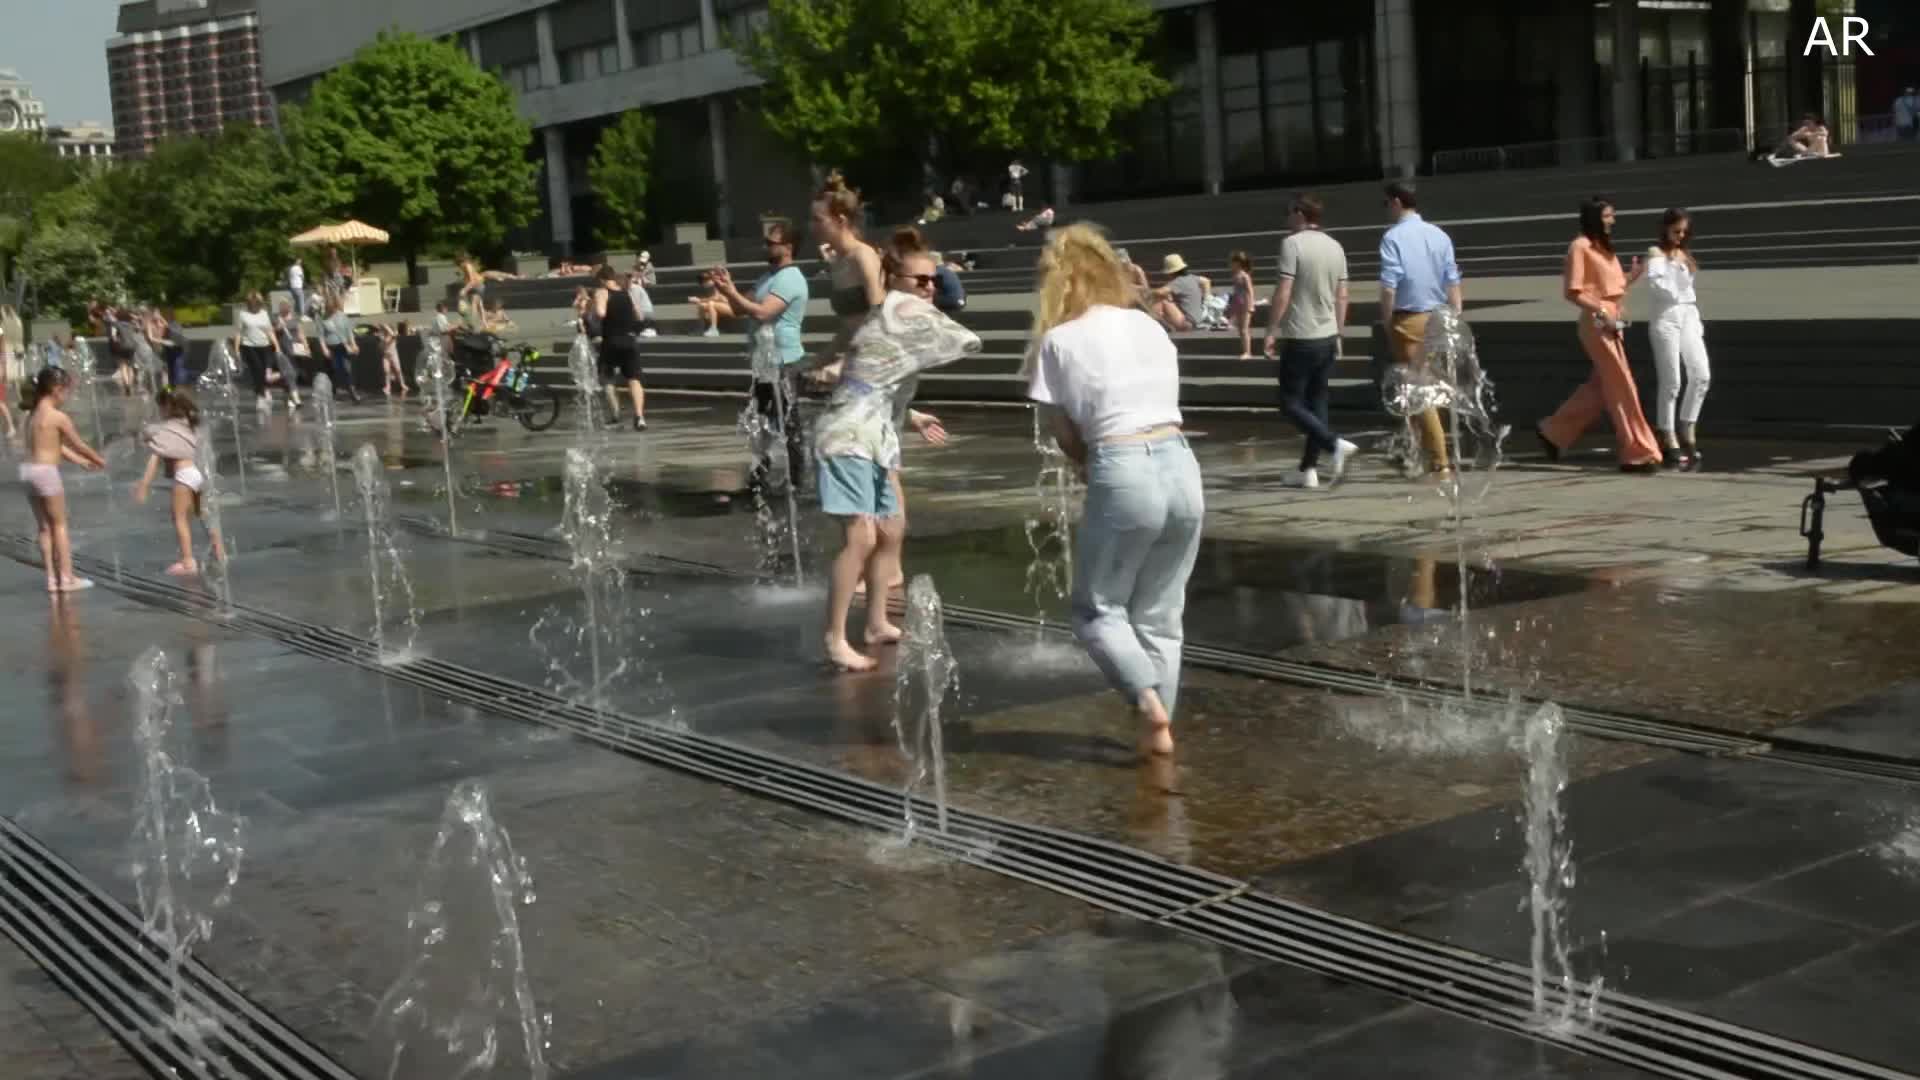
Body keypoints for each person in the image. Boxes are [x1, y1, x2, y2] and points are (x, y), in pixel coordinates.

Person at [1025, 225, 1201, 758]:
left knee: (1097, 610)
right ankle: (1159, 727)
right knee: (1161, 614)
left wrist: (1087, 466)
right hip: (1182, 464)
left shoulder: (1059, 340)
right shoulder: (1148, 325)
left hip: (1121, 464)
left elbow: (1062, 433)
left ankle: (1146, 702)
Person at [811, 229, 980, 671]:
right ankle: (834, 637)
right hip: (847, 438)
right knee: (861, 537)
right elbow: (966, 338)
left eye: (934, 280)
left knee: (890, 531)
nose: (930, 288)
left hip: (875, 437)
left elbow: (871, 384)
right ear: (893, 279)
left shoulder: (887, 315)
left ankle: (875, 623)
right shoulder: (901, 310)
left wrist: (913, 415)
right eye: (921, 280)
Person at [1536, 196, 1662, 473]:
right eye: (1607, 216)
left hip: (1612, 321)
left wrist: (1630, 278)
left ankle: (1554, 432)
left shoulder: (1603, 248)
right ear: (1594, 218)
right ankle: (1637, 452)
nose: (1612, 220)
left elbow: (1609, 286)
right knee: (1622, 386)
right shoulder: (1579, 247)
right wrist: (1602, 310)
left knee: (1602, 388)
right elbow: (1573, 291)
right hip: (1598, 323)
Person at [1263, 193, 1359, 489]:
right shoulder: (1336, 246)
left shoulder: (1292, 244)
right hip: (1327, 335)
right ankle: (1308, 469)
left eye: (1288, 212)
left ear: (1300, 213)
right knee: (1317, 402)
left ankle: (1333, 444)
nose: (1286, 217)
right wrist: (1339, 332)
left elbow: (1284, 291)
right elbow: (1343, 295)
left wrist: (1271, 330)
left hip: (1301, 335)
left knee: (1289, 402)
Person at [711, 222, 810, 487]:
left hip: (785, 361)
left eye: (771, 242)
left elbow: (764, 313)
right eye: (765, 242)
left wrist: (732, 293)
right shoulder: (767, 277)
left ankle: (797, 483)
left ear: (788, 247)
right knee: (762, 423)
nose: (765, 246)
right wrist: (727, 289)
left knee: (789, 425)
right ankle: (759, 477)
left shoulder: (790, 278)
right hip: (765, 363)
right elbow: (739, 309)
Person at [1378, 180, 1462, 477]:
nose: (1386, 209)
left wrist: (1387, 320)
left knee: (1420, 388)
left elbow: (1389, 286)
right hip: (1438, 317)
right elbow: (1452, 280)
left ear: (1396, 202)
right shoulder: (1439, 235)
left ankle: (1440, 461)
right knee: (1421, 385)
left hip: (1409, 320)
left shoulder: (1393, 237)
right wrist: (1455, 315)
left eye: (1386, 203)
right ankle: (1412, 449)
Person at [21, 367, 107, 594]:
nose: (67, 397)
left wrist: (81, 461)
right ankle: (67, 578)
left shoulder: (31, 416)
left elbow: (54, 446)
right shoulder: (58, 417)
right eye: (67, 392)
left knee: (44, 528)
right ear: (57, 389)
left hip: (28, 471)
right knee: (59, 525)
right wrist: (98, 459)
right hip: (46, 473)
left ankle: (52, 579)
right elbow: (78, 444)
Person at [1640, 208, 1710, 471]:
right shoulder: (1656, 254)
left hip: (1688, 313)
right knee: (1672, 382)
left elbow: (1685, 289)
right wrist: (1669, 266)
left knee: (1701, 375)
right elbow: (1658, 286)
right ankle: (1667, 433)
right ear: (1665, 229)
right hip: (1666, 316)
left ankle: (1687, 427)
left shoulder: (1684, 254)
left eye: (1684, 232)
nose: (1680, 236)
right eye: (1676, 231)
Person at [134, 389, 224, 576]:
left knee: (180, 519)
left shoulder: (165, 431)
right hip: (196, 474)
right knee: (202, 514)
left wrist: (144, 485)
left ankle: (188, 561)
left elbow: (154, 459)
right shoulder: (187, 426)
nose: (159, 412)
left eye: (160, 408)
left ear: (167, 407)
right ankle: (219, 550)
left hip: (183, 476)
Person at [593, 264, 648, 431]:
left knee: (608, 377)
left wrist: (594, 307)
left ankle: (616, 416)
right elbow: (639, 315)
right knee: (634, 379)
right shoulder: (626, 293)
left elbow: (601, 313)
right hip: (630, 340)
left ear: (601, 279)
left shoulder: (602, 292)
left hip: (611, 341)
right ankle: (639, 417)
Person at [232, 291, 277, 411]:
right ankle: (260, 396)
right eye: (252, 303)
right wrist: (236, 349)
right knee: (257, 369)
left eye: (257, 303)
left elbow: (269, 331)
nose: (255, 305)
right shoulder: (243, 314)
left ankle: (263, 390)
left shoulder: (264, 313)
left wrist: (277, 345)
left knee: (264, 372)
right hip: (249, 346)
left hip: (265, 345)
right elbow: (238, 332)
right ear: (248, 303)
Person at [1149, 254, 1209, 332]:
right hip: (1196, 320)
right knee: (1167, 297)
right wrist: (1206, 298)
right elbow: (1206, 281)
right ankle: (1162, 325)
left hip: (1187, 323)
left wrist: (1147, 292)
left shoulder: (1178, 282)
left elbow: (1160, 292)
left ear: (1171, 272)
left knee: (1162, 301)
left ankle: (1148, 324)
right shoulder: (1192, 278)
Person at [319, 295, 362, 404]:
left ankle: (352, 391)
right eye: (329, 308)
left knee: (347, 369)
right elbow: (321, 336)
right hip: (331, 346)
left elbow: (349, 332)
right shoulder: (322, 318)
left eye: (332, 307)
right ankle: (333, 391)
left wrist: (354, 344)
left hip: (343, 346)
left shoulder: (342, 316)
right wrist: (324, 349)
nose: (331, 310)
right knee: (334, 369)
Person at [270, 302, 307, 407]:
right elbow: (271, 332)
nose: (285, 309)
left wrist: (306, 346)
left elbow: (300, 333)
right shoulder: (276, 319)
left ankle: (286, 395)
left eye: (287, 307)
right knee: (290, 374)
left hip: (294, 350)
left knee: (294, 373)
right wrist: (278, 327)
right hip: (281, 351)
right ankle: (297, 399)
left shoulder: (295, 319)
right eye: (283, 307)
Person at [1224, 251, 1255, 359]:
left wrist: (1251, 305)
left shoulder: (1244, 276)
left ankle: (1248, 352)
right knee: (1241, 330)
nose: (1231, 265)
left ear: (1238, 263)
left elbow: (1250, 291)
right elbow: (1236, 292)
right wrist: (1232, 305)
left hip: (1246, 305)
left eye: (1233, 262)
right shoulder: (1235, 275)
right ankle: (1245, 350)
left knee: (1244, 329)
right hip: (1238, 304)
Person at [377, 322, 411, 398]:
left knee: (398, 370)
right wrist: (382, 329)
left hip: (393, 355)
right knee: (386, 371)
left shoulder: (392, 335)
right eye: (384, 330)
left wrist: (386, 327)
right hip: (386, 356)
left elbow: (393, 335)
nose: (385, 331)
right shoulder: (382, 336)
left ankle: (402, 384)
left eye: (386, 330)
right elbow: (381, 345)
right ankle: (388, 386)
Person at [626, 267, 658, 337]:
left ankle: (645, 329)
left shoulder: (635, 289)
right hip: (639, 316)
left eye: (628, 278)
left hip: (645, 316)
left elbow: (635, 308)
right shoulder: (627, 289)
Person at [286, 258, 307, 326]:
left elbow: (289, 277)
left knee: (297, 302)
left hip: (292, 287)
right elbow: (302, 277)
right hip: (298, 287)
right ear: (297, 262)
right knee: (301, 301)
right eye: (300, 261)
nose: (301, 263)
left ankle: (295, 315)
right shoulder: (298, 268)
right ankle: (302, 316)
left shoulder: (291, 268)